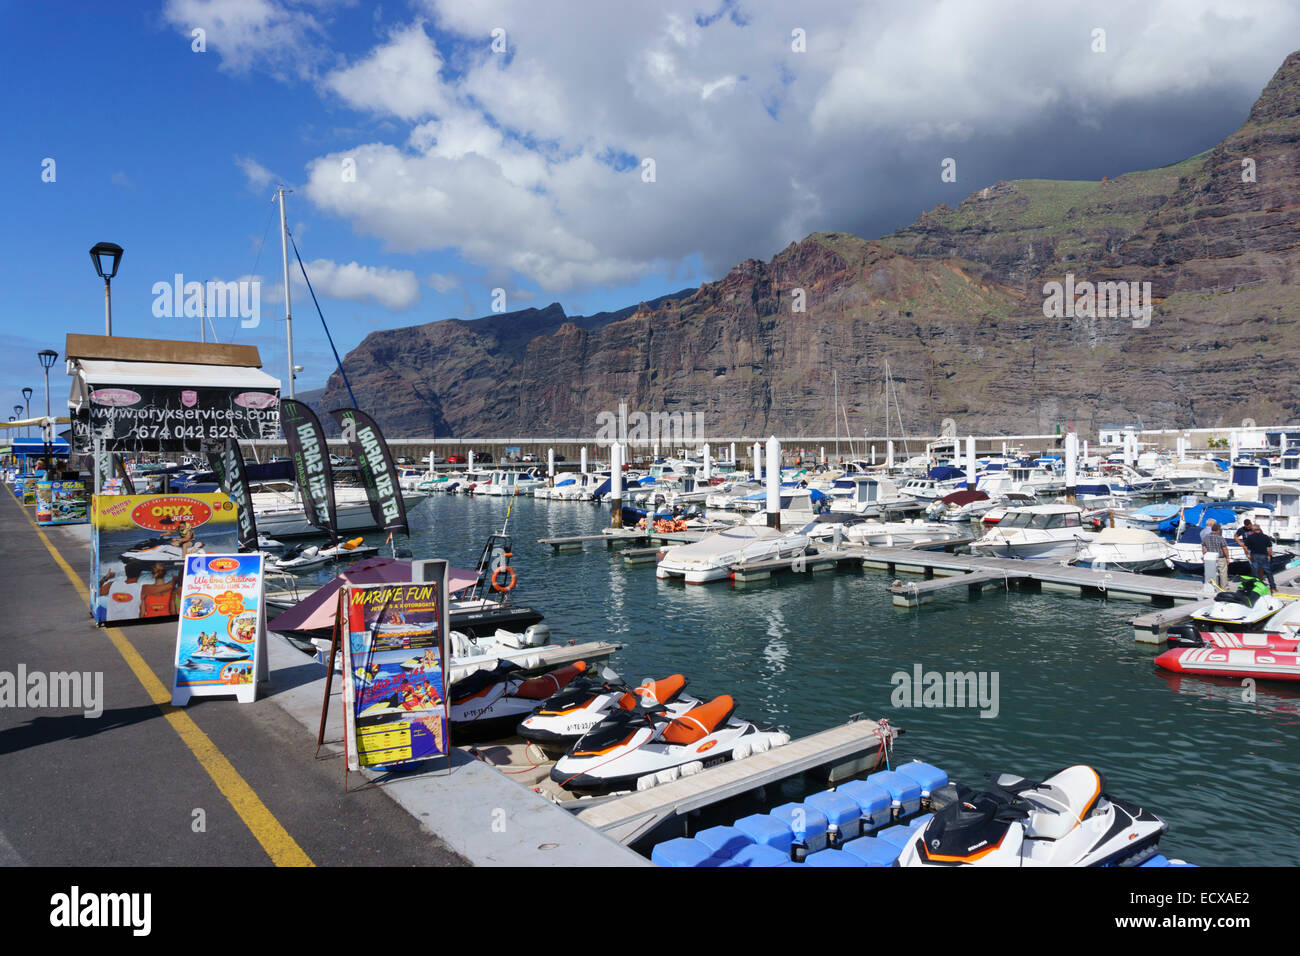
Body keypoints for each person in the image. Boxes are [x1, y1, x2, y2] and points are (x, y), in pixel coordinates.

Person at [1243, 524, 1277, 592]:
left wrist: (1247, 554)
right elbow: (1270, 548)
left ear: (1253, 530)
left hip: (1254, 556)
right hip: (1264, 555)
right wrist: (1269, 555)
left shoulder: (1250, 537)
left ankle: (1258, 587)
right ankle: (1273, 588)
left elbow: (1245, 547)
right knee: (1268, 572)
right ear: (1259, 529)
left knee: (1256, 573)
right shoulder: (1266, 537)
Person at [1200, 519, 1230, 591]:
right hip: (1220, 557)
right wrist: (1227, 558)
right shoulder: (1220, 538)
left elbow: (1204, 547)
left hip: (1210, 558)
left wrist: (1204, 556)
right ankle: (1224, 588)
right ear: (1218, 530)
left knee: (1211, 573)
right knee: (1223, 573)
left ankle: (1212, 587)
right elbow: (1225, 548)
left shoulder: (1206, 537)